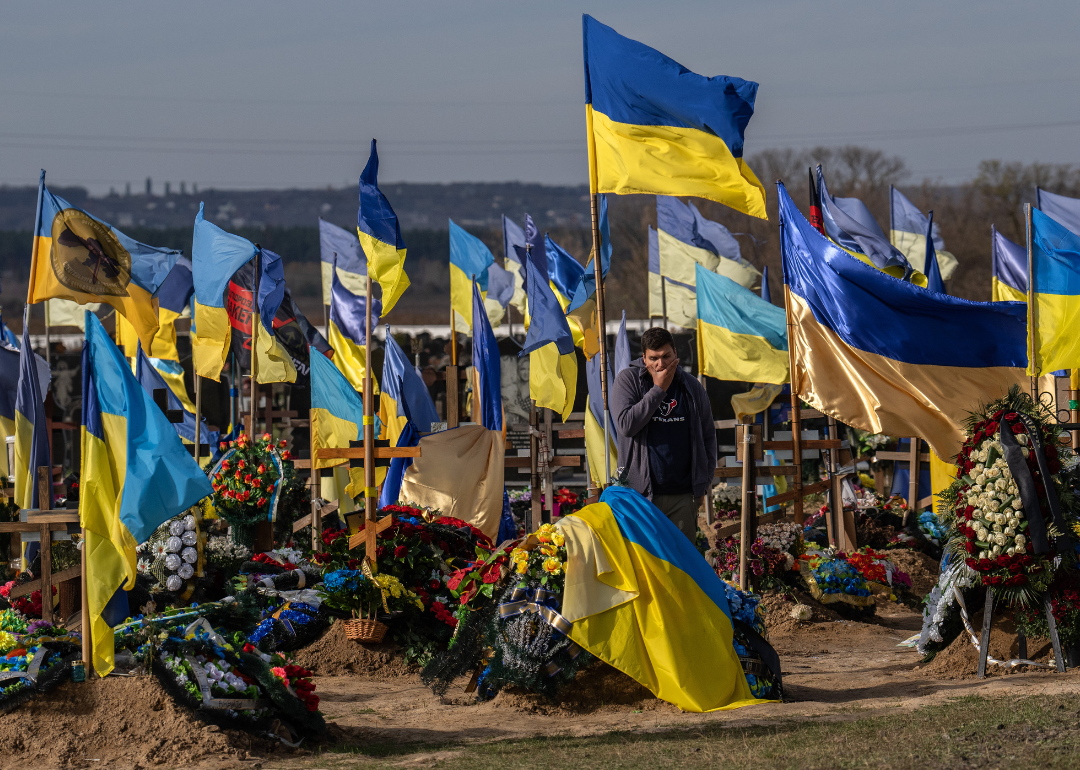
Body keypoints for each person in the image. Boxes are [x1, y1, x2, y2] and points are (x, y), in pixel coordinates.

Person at [610, 327, 715, 539]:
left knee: (682, 565)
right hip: (640, 496)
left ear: (675, 353)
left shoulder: (691, 385)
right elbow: (626, 425)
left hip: (683, 496)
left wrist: (703, 483)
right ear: (644, 358)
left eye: (666, 356)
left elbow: (708, 435)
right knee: (645, 563)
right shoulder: (629, 380)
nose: (661, 364)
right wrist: (658, 389)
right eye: (654, 358)